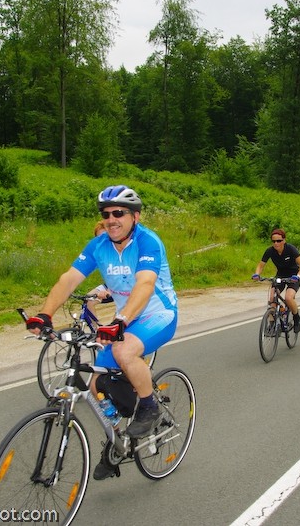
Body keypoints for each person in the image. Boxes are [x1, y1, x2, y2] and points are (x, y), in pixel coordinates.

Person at [25, 185, 178, 480]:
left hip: (159, 314)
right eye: (106, 214)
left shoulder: (148, 242)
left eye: (119, 213)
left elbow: (145, 285)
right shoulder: (98, 246)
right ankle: (118, 443)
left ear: (135, 216)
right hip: (127, 320)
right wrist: (45, 314)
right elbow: (68, 279)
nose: (111, 219)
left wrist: (120, 320)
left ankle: (149, 409)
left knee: (122, 351)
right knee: (97, 384)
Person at [252, 229, 300, 333]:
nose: (276, 243)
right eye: (274, 241)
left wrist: (298, 276)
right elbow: (261, 264)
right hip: (280, 276)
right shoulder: (270, 251)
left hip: (293, 276)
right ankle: (272, 324)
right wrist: (257, 274)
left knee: (288, 298)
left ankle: (296, 318)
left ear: (284, 240)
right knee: (272, 298)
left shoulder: (290, 249)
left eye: (279, 241)